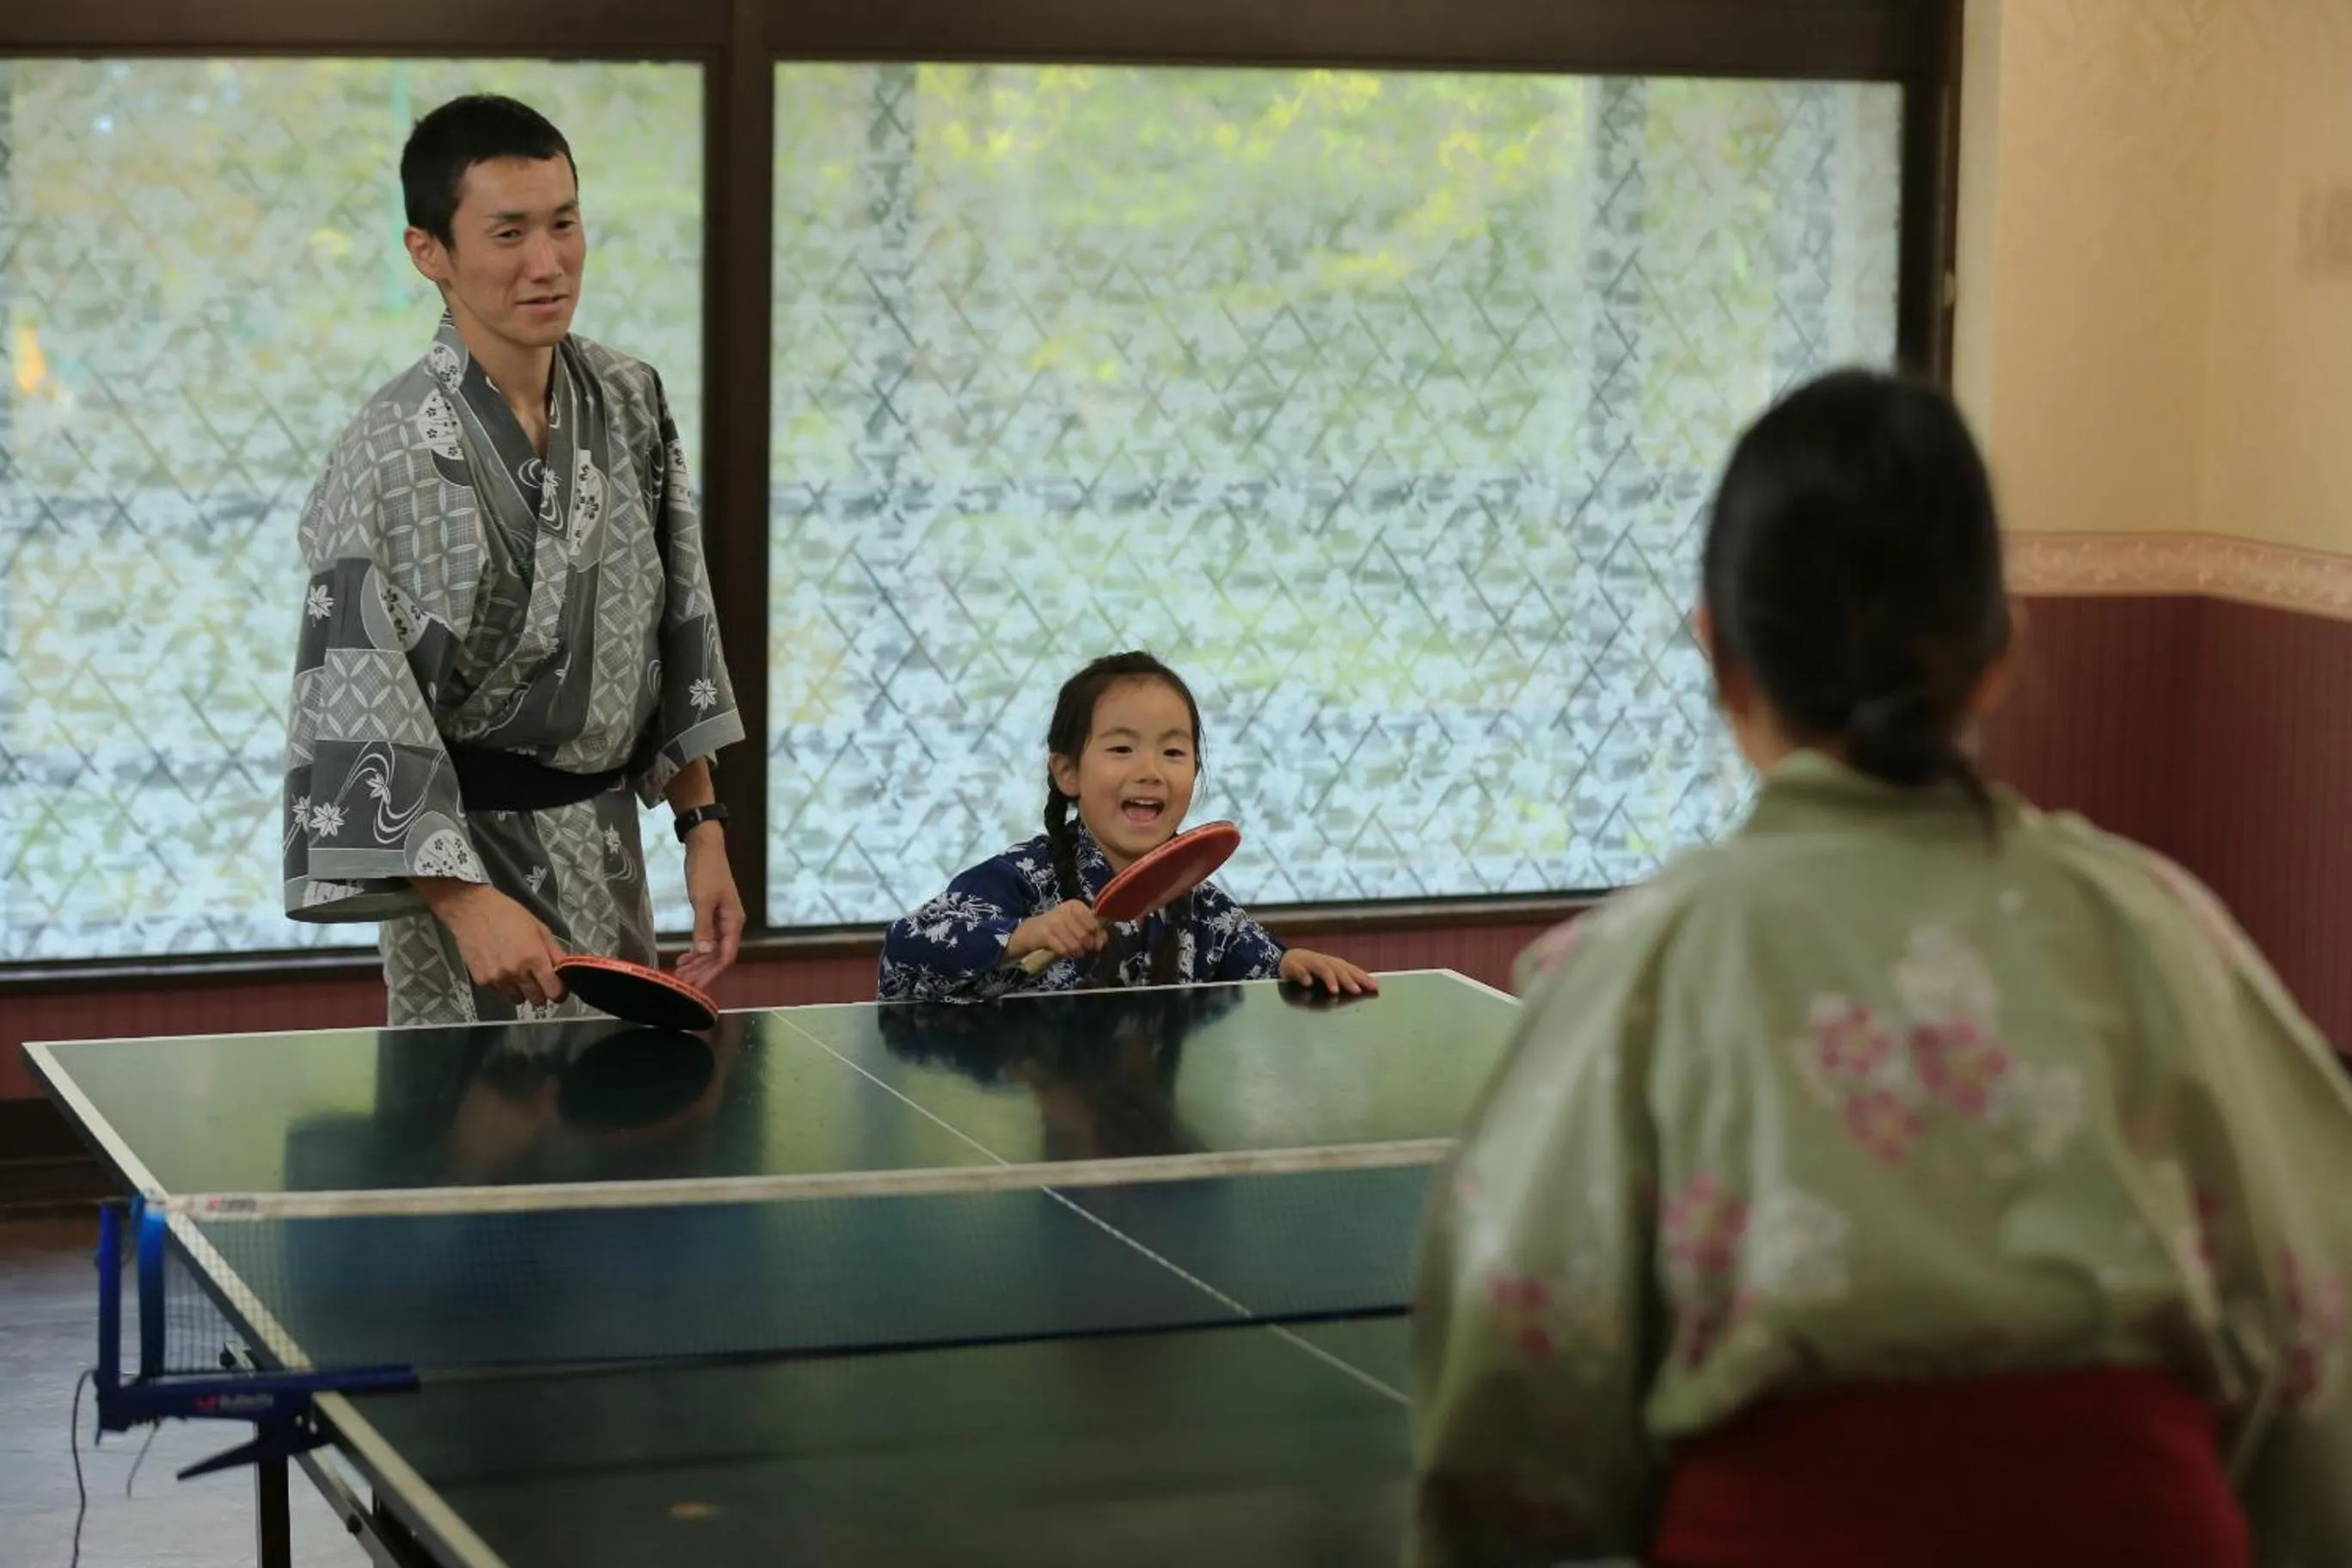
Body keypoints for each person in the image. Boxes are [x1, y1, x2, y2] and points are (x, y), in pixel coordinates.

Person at [1408, 369, 2352, 1568]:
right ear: (1999, 651)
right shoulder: (2158, 926)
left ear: (1720, 653)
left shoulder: (1644, 957)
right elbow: (2319, 1295)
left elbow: (1516, 1341)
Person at [279, 95, 746, 1026]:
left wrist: (702, 826)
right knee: (476, 1139)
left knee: (618, 1124)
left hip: (607, 850)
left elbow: (671, 621)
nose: (548, 263)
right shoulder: (389, 451)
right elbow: (358, 697)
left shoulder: (628, 397)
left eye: (564, 224)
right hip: (463, 880)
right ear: (430, 253)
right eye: (508, 233)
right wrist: (462, 904)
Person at [878, 650, 1379, 1002]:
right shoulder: (1023, 877)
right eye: (1121, 748)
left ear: (1195, 773)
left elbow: (1247, 951)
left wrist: (1290, 965)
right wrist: (1025, 934)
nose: (1150, 770)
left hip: (1148, 1121)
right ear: (1068, 772)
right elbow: (908, 944)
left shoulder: (1193, 896)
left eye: (1173, 751)